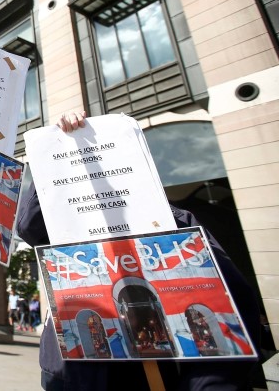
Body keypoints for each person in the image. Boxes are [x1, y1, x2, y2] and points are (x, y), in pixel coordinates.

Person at [17, 112, 262, 391]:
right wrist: (56, 151)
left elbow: (232, 312)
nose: (98, 181)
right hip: (69, 375)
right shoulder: (69, 222)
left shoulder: (176, 222)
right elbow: (29, 227)